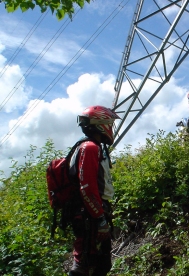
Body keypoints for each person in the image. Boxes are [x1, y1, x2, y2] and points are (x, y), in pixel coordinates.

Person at [68, 105, 120, 276]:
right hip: (89, 217)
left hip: (90, 214)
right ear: (100, 124)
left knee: (99, 264)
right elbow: (87, 187)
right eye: (109, 124)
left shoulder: (90, 147)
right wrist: (99, 218)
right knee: (87, 264)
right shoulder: (90, 148)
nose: (111, 129)